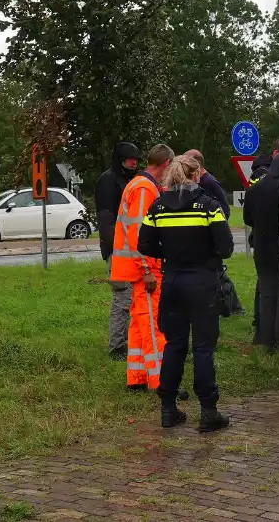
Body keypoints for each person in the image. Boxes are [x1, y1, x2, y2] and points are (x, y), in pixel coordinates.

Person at [138, 154, 235, 432]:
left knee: (174, 345)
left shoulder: (157, 207)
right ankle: (208, 412)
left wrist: (167, 253)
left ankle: (168, 409)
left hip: (172, 282)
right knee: (203, 348)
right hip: (203, 283)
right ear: (195, 175)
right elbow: (226, 247)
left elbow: (144, 244)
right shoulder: (208, 206)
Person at [110, 143, 174, 391]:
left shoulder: (138, 184)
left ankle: (136, 378)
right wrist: (147, 268)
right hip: (145, 269)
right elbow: (139, 232)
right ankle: (161, 381)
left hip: (137, 268)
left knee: (138, 324)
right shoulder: (145, 188)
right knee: (153, 325)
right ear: (166, 164)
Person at [95, 141, 140, 360]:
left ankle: (128, 341)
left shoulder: (131, 180)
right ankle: (117, 346)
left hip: (131, 248)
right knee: (122, 297)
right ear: (120, 159)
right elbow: (106, 220)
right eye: (130, 159)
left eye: (136, 159)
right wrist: (116, 249)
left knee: (132, 298)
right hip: (117, 249)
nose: (134, 163)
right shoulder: (108, 181)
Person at [243, 145, 279, 352]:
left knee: (266, 293)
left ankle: (264, 337)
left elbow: (247, 218)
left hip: (261, 246)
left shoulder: (255, 188)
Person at [245, 152, 273, 341]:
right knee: (266, 287)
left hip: (258, 237)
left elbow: (248, 215)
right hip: (269, 238)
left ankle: (259, 322)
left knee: (261, 285)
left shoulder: (252, 182)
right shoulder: (268, 181)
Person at [182, 149, 231, 219]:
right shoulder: (190, 182)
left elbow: (225, 210)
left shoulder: (210, 183)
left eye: (186, 163)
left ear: (197, 163)